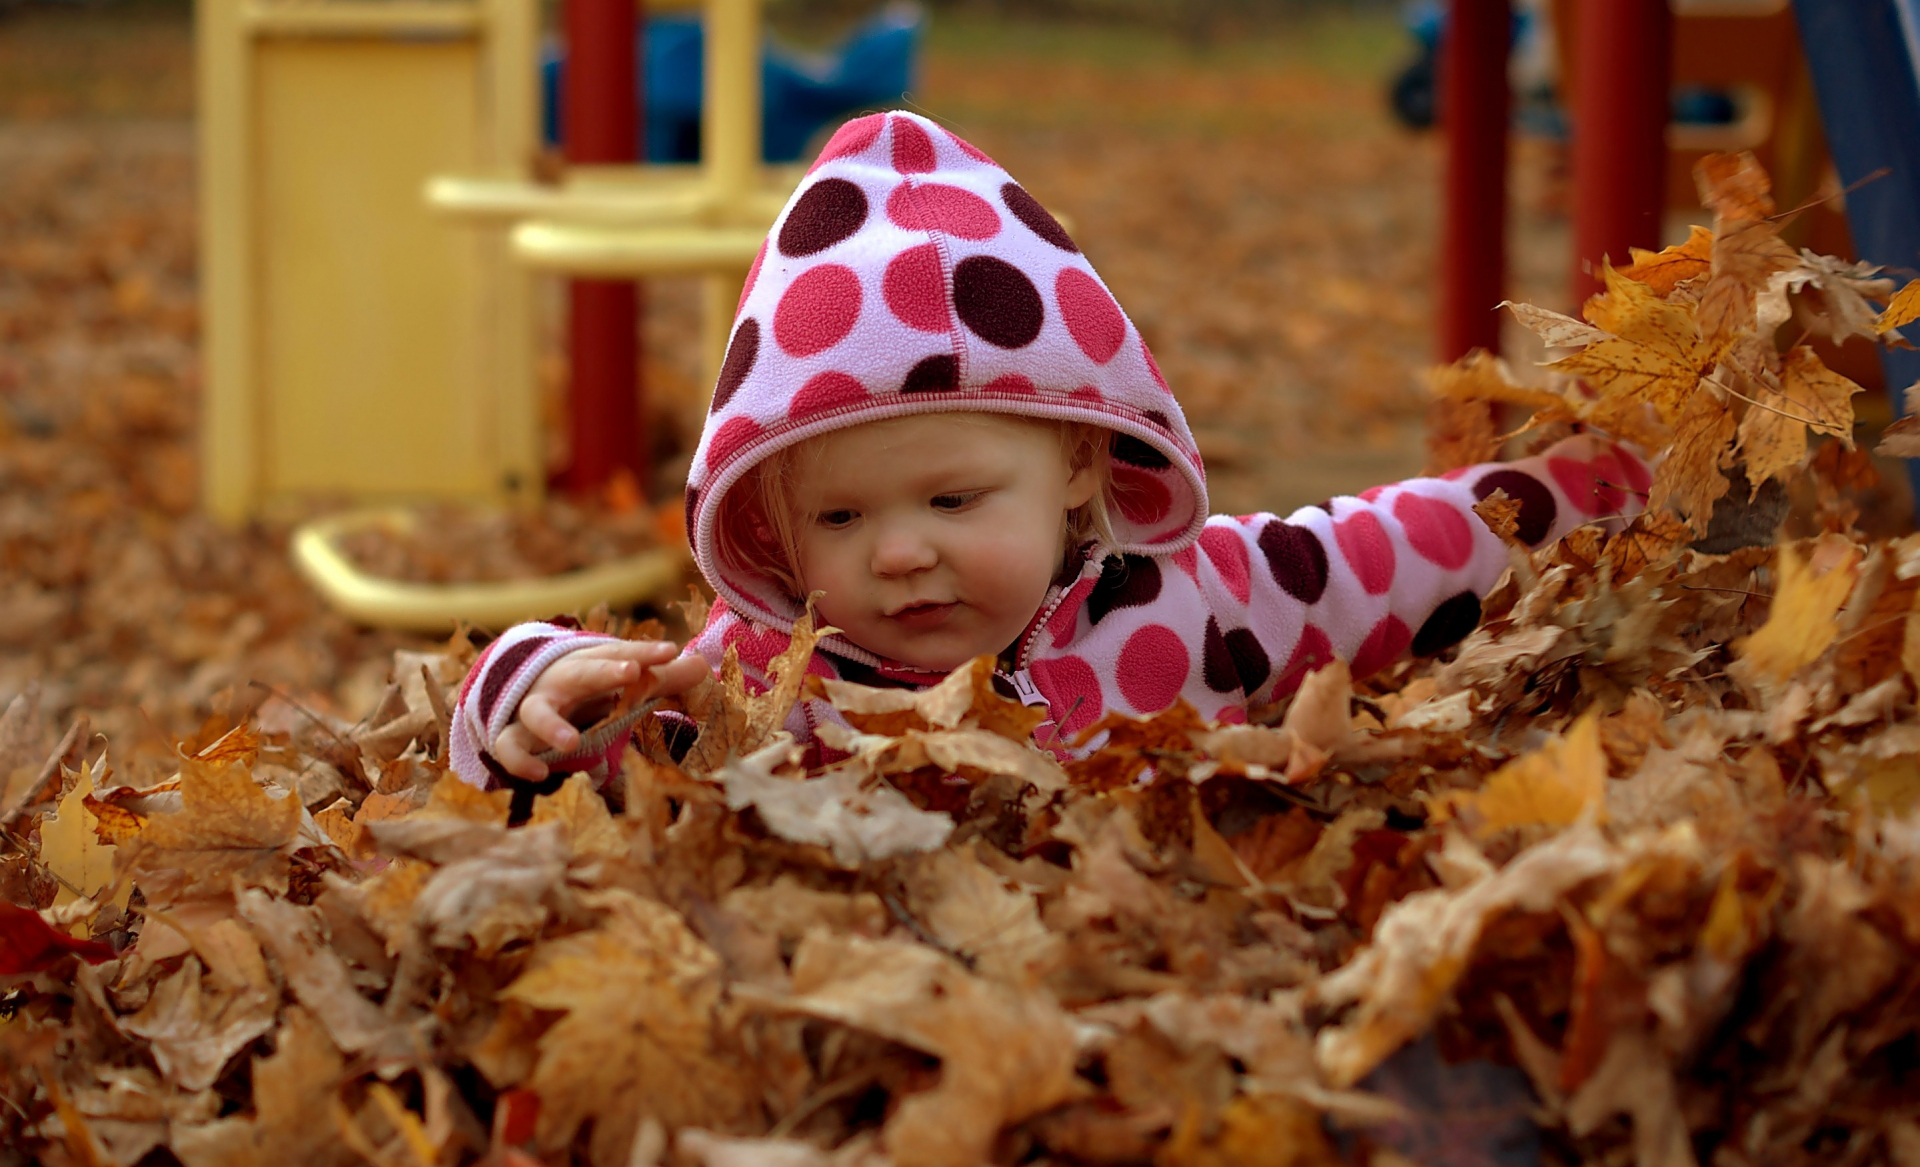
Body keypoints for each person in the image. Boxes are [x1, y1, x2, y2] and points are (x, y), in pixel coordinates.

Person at [448, 110, 1647, 790]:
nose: (902, 554)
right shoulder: (765, 676)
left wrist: (1603, 491)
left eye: (954, 498)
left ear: (1079, 460)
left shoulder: (1199, 603)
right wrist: (528, 693)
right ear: (773, 525)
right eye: (841, 521)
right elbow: (579, 735)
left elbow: (1394, 556)